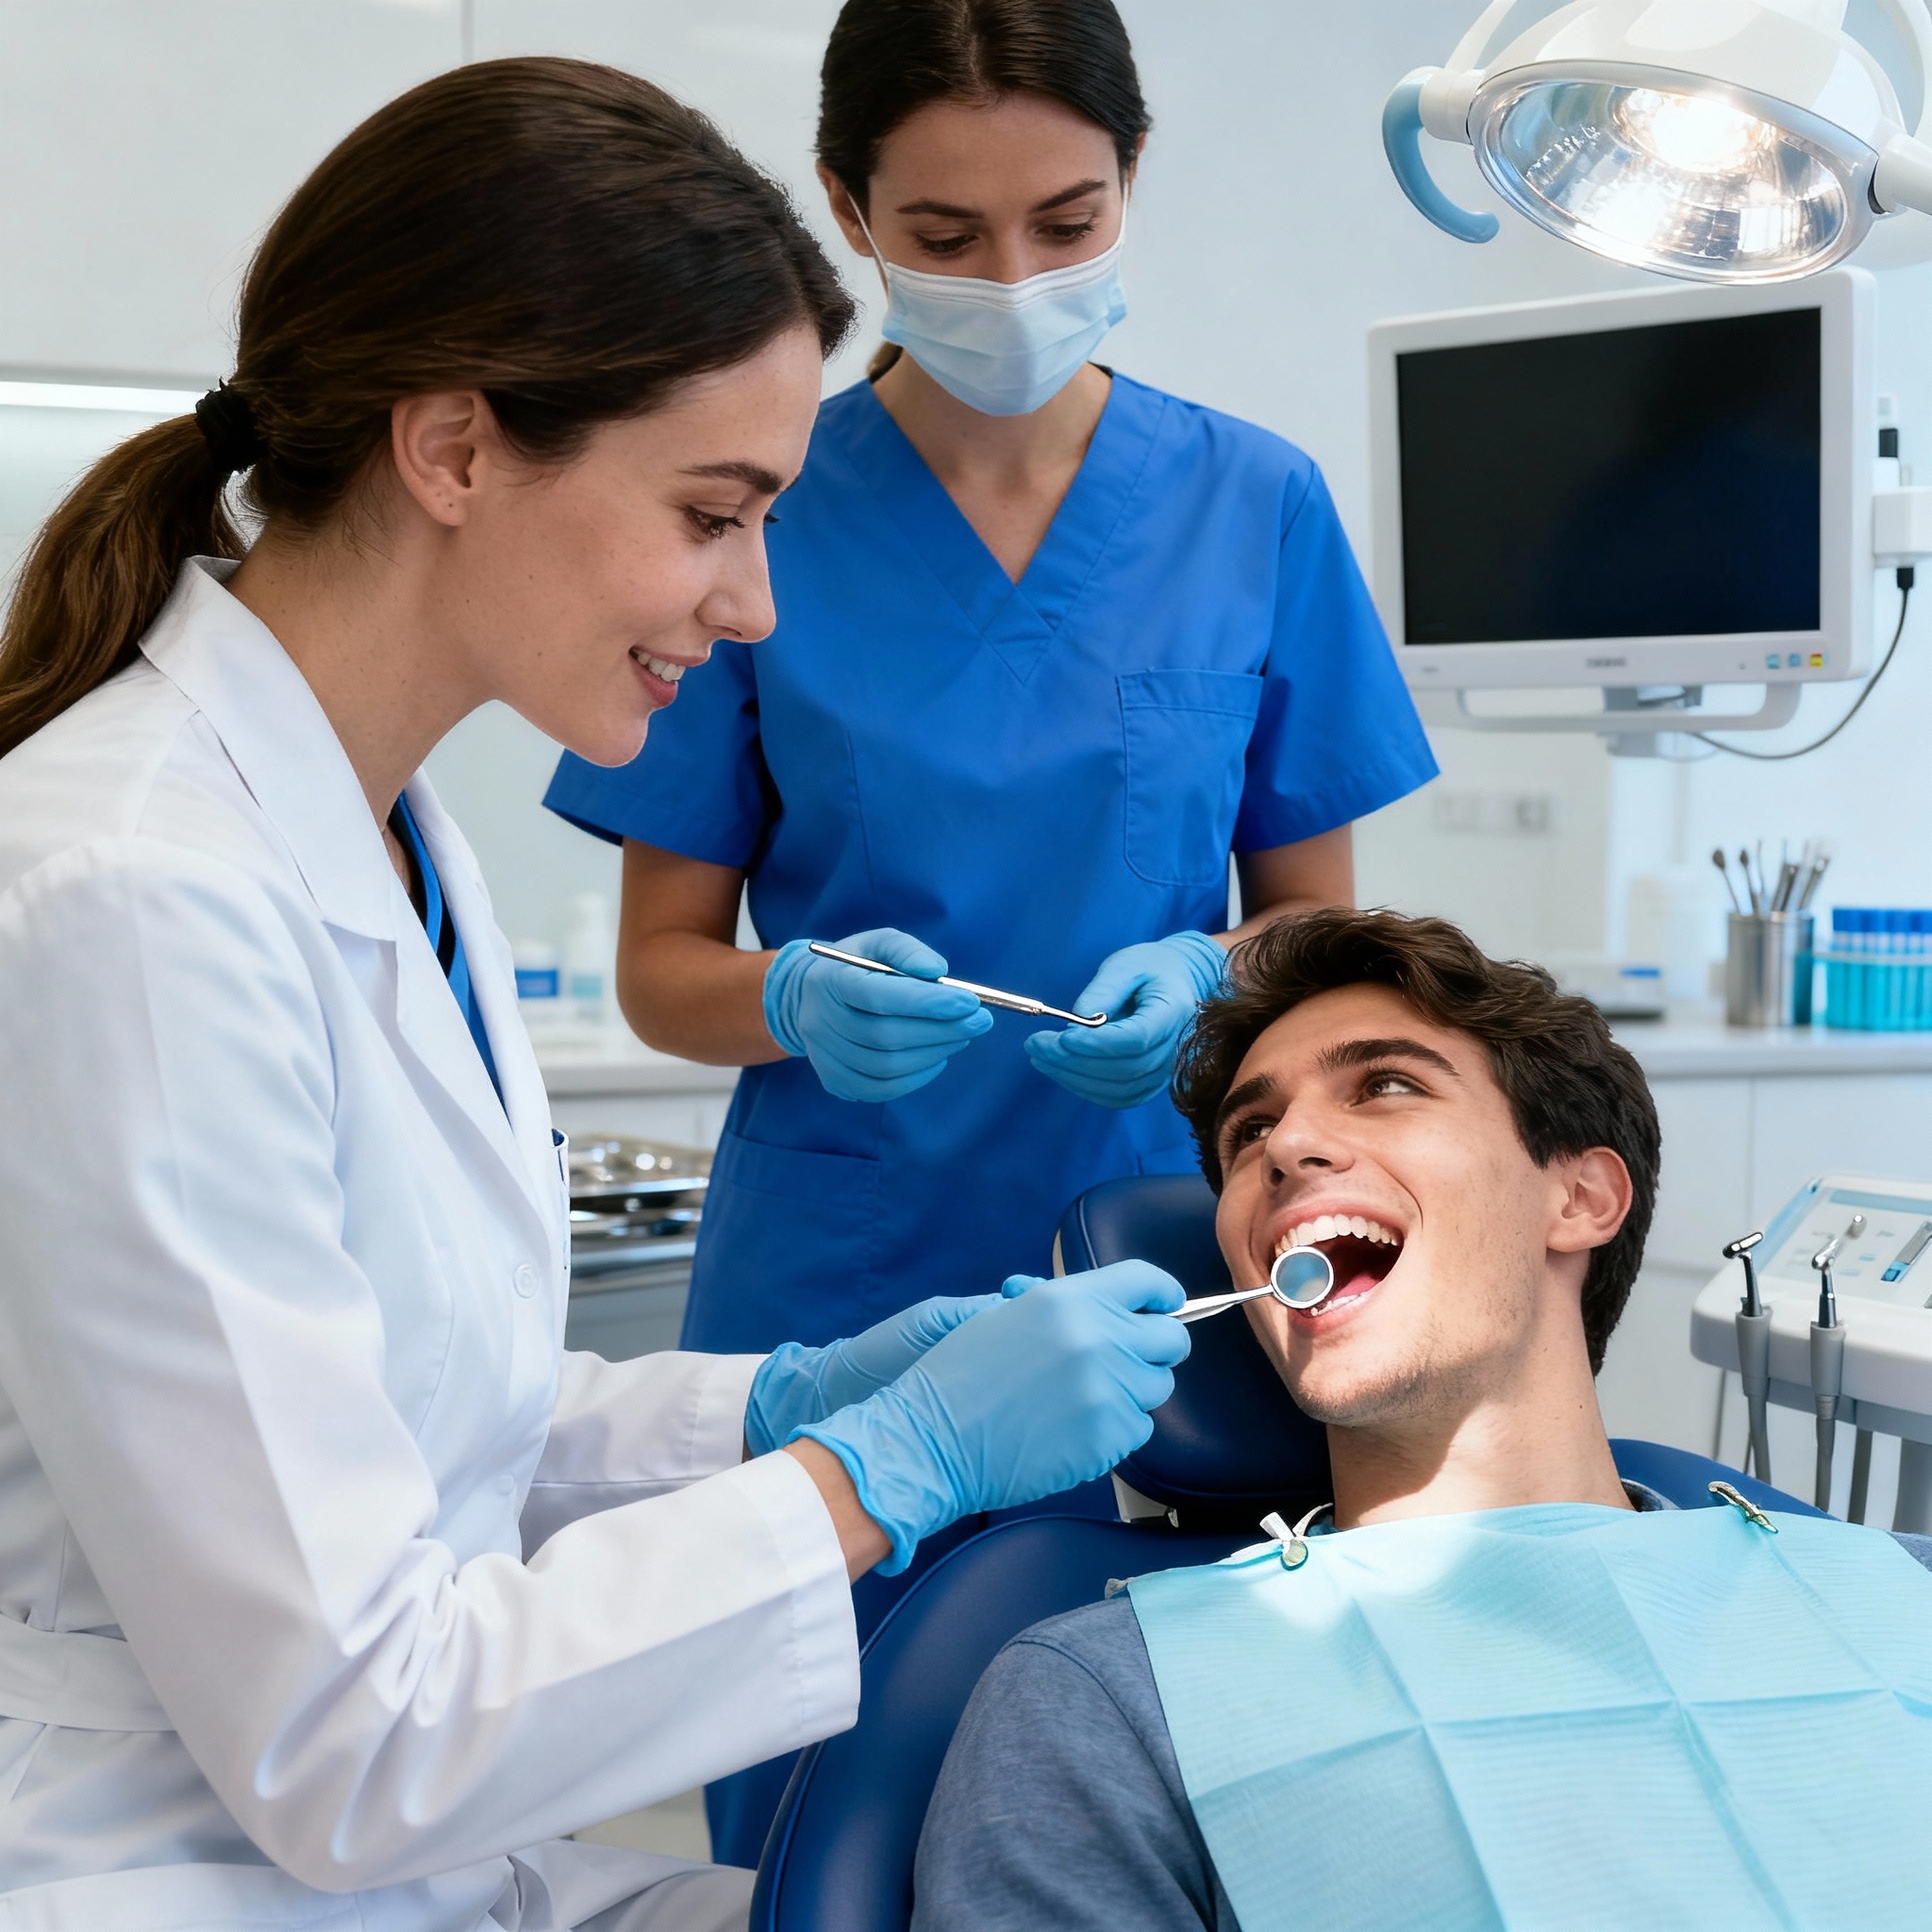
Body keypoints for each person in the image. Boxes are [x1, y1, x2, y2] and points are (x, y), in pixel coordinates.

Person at [0, 59, 1193, 1930]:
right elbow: (354, 1729)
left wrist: (771, 1407)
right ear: (457, 448)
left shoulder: (386, 840)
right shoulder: (137, 894)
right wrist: (880, 1473)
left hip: (423, 1869)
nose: (756, 608)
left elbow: (416, 1419)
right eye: (715, 511)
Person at [542, 0, 1439, 1366]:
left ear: (1131, 173)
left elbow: (1313, 925)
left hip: (1165, 1247)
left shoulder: (1253, 505)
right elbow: (661, 974)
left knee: (1158, 1583)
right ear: (846, 207)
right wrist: (792, 997)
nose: (1013, 280)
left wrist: (1211, 972)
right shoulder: (750, 513)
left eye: (1068, 225)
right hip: (839, 1270)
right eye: (947, 239)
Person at [912, 910, 1932, 1931]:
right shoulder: (1103, 1700)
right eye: (1247, 1131)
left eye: (1384, 1084)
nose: (1286, 1146)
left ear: (1577, 1195)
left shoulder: (1899, 1585)